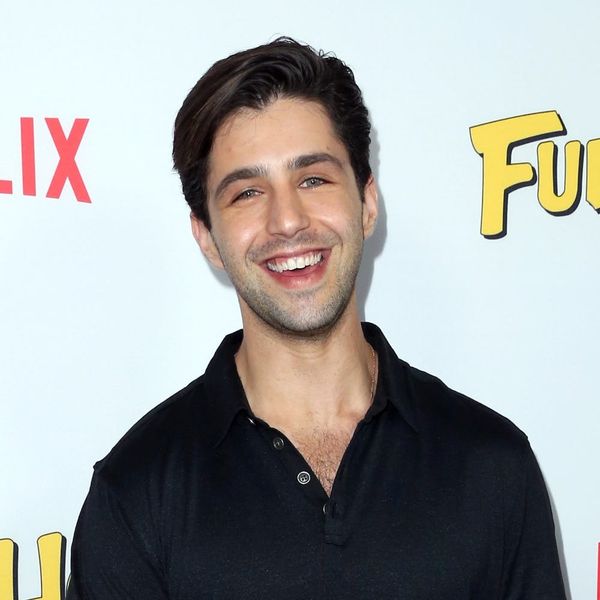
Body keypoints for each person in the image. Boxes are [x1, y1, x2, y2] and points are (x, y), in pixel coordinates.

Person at [67, 38, 566, 599]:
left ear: (367, 203)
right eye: (247, 192)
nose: (287, 220)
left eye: (313, 180)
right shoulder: (136, 492)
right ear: (206, 236)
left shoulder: (492, 465)